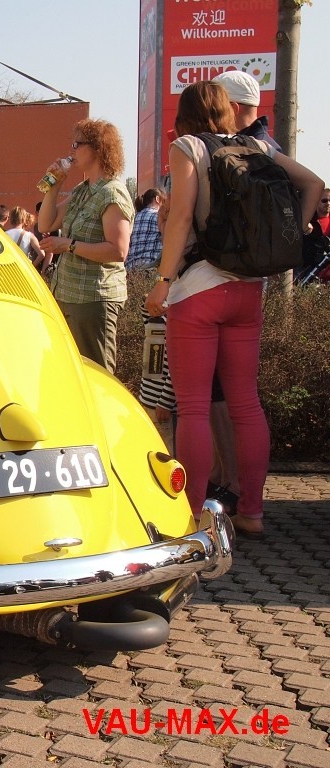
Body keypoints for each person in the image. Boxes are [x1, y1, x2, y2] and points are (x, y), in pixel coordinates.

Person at [144, 81, 323, 539]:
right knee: (245, 403)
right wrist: (294, 231)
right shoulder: (258, 147)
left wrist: (162, 282)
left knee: (193, 408)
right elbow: (314, 183)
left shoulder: (187, 147)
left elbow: (182, 217)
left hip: (198, 289)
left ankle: (191, 519)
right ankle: (252, 513)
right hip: (248, 288)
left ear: (185, 115)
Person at [38, 119, 135, 373]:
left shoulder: (112, 193)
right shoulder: (83, 190)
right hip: (69, 296)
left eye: (77, 144)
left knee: (97, 375)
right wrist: (54, 186)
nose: (71, 150)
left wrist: (69, 245)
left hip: (94, 299)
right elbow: (45, 223)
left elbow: (118, 250)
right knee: (73, 374)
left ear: (98, 148)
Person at [211, 70, 281, 151]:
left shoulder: (257, 150)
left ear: (233, 109)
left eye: (214, 107)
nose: (210, 114)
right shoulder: (263, 147)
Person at [127, 188, 164, 271]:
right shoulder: (159, 217)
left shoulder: (133, 219)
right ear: (157, 199)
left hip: (131, 270)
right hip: (151, 268)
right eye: (164, 201)